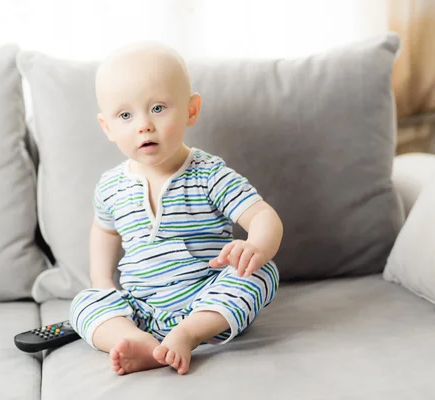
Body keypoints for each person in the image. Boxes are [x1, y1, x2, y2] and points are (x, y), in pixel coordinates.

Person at [69, 42, 283, 376]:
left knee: (262, 273)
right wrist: (101, 280)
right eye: (125, 115)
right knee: (84, 303)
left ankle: (187, 335)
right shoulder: (111, 186)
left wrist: (255, 246)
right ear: (107, 127)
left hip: (209, 300)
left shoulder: (209, 175)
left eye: (157, 108)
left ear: (191, 110)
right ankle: (136, 341)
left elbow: (262, 215)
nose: (143, 125)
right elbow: (104, 230)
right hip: (141, 308)